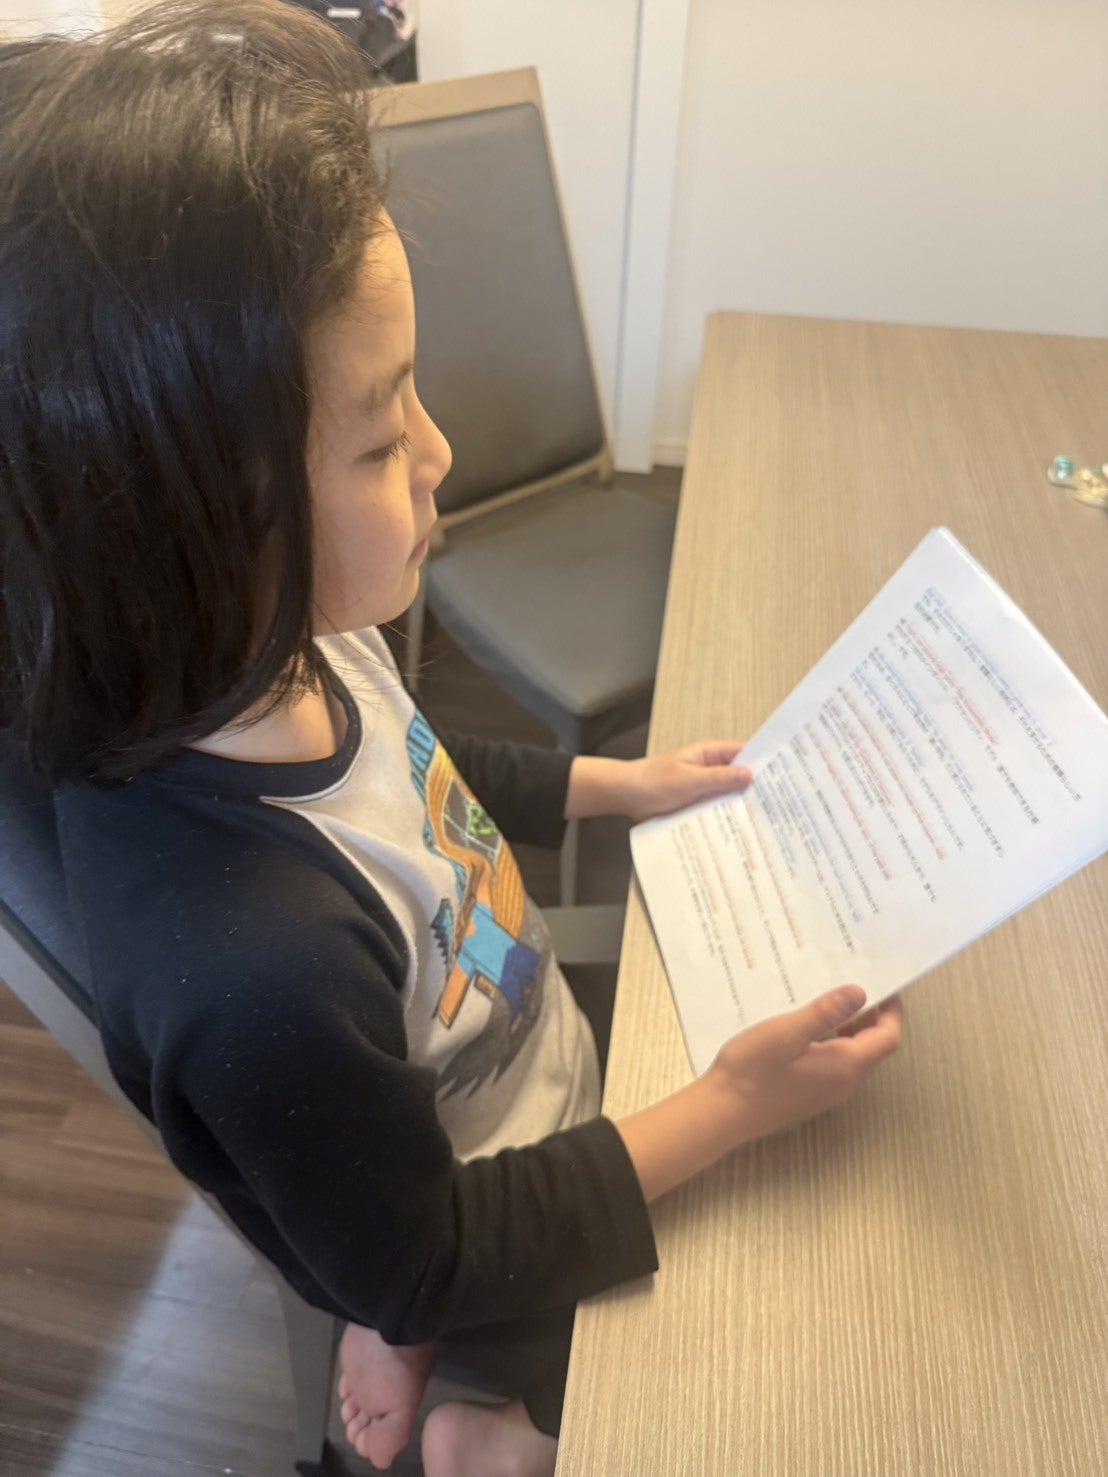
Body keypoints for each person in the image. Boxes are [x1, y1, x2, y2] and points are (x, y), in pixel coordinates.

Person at [0, 4, 904, 1474]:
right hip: (480, 1204)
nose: (439, 453)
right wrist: (731, 1108)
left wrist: (621, 781)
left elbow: (421, 780)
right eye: (378, 436)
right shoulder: (249, 966)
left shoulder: (293, 634)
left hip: (507, 1069)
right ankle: (463, 1388)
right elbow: (427, 1249)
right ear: (178, 531)